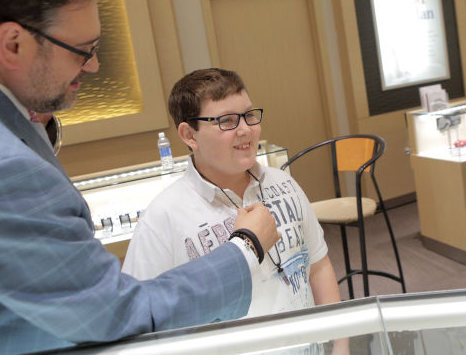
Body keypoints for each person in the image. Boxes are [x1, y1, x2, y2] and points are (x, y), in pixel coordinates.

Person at [0, 0, 279, 355]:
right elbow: (116, 315)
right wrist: (245, 248)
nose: (94, 66)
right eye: (83, 49)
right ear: (12, 43)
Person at [123, 68, 342, 318]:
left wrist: (340, 345)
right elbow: (140, 314)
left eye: (249, 115)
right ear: (189, 135)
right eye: (226, 121)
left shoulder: (284, 183)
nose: (245, 130)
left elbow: (318, 266)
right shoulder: (162, 219)